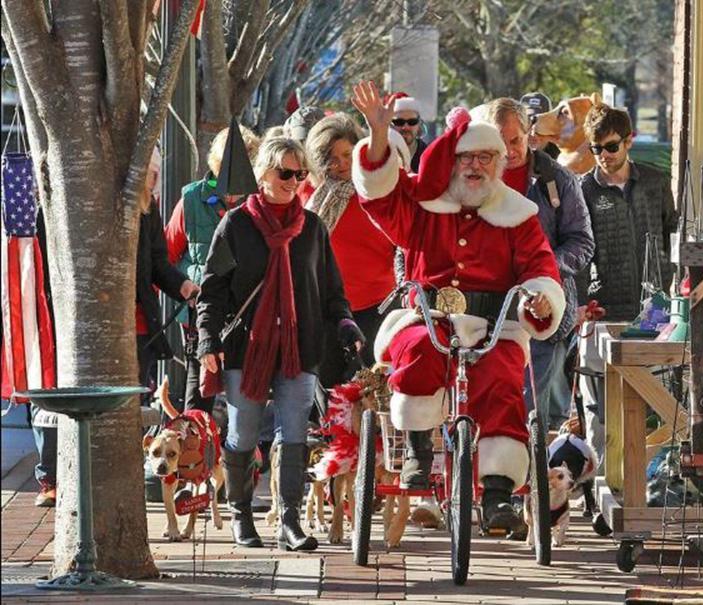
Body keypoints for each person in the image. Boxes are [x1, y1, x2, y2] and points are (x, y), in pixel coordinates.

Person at [351, 81, 566, 531]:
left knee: (504, 377)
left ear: (500, 164)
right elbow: (381, 197)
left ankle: (499, 493)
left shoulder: (519, 214)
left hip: (493, 327)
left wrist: (541, 297)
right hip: (429, 318)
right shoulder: (427, 205)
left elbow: (540, 267)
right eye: (466, 157)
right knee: (416, 352)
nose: (473, 167)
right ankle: (416, 448)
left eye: (484, 158)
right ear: (453, 161)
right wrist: (377, 134)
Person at [197, 136, 363, 550]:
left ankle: (290, 521)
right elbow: (212, 291)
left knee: (294, 434)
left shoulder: (311, 228)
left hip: (298, 347)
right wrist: (206, 340)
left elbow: (331, 290)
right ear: (263, 174)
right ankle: (241, 514)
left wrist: (344, 323)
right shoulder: (235, 224)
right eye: (285, 172)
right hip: (244, 349)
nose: (293, 181)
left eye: (300, 173)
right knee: (244, 433)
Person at [477, 98, 594, 432]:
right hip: (487, 312)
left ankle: (536, 480)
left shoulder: (556, 179)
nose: (510, 150)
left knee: (534, 414)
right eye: (500, 142)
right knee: (492, 408)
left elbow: (582, 242)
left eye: (515, 140)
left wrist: (542, 272)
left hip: (544, 310)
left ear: (529, 134)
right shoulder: (474, 177)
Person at [577, 103, 678, 467]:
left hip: (654, 309)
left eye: (611, 146)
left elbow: (672, 233)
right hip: (603, 307)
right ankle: (602, 483)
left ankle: (652, 478)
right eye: (595, 148)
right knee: (601, 406)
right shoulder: (583, 190)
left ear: (629, 141)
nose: (603, 156)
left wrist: (673, 285)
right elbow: (577, 251)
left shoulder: (654, 182)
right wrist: (580, 303)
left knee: (657, 398)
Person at [166, 126, 260, 413]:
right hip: (201, 310)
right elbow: (168, 253)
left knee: (248, 387)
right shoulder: (193, 200)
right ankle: (196, 452)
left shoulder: (260, 202)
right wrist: (186, 288)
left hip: (247, 311)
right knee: (200, 390)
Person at [304, 114, 401, 387]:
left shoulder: (377, 192)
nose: (342, 164)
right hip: (329, 308)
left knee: (376, 388)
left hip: (378, 304)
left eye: (347, 154)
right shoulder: (312, 197)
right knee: (330, 388)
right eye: (332, 159)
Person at [137, 148, 198, 404]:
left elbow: (158, 261)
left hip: (140, 321)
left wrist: (182, 285)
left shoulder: (149, 208)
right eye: (153, 173)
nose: (156, 180)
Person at [389, 93, 429, 172]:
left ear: (419, 124)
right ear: (390, 124)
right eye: (399, 122)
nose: (405, 127)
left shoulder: (428, 154)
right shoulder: (381, 152)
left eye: (412, 122)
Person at [520, 92, 560, 159]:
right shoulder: (506, 159)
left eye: (540, 122)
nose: (533, 130)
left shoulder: (563, 158)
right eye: (528, 122)